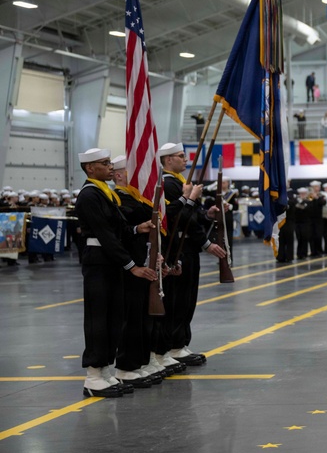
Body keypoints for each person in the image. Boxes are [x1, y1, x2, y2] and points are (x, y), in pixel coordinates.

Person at [76, 148, 158, 398]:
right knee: (98, 319)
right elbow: (106, 235)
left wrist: (137, 228)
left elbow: (119, 228)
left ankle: (104, 370)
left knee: (114, 318)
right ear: (90, 168)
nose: (110, 166)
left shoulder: (105, 193)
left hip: (110, 262)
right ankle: (93, 375)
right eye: (105, 163)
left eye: (110, 162)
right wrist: (131, 265)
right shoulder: (89, 195)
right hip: (98, 262)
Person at [159, 142, 226, 368]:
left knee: (188, 299)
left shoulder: (181, 182)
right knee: (178, 299)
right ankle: (174, 345)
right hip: (180, 248)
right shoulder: (169, 184)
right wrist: (206, 243)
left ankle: (180, 343)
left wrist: (207, 215)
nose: (185, 159)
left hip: (188, 247)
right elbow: (181, 218)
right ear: (168, 160)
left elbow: (194, 216)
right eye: (180, 156)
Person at [110, 155, 164, 388]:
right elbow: (123, 231)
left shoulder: (137, 198)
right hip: (129, 265)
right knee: (131, 317)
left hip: (145, 261)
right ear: (119, 175)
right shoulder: (118, 199)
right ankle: (126, 365)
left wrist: (156, 254)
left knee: (143, 315)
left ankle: (139, 361)